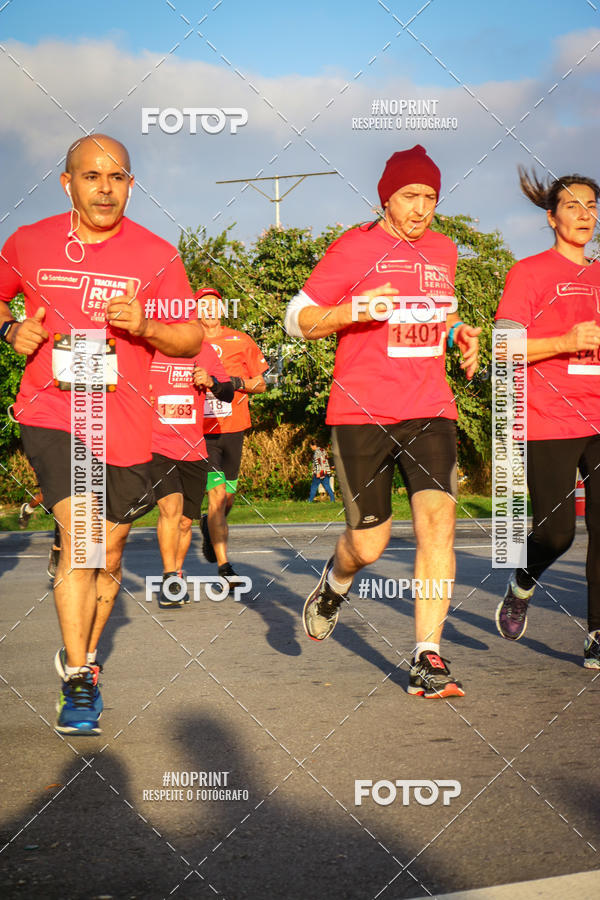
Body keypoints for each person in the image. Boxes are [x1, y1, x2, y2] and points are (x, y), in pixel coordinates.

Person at [0, 134, 203, 734]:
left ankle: (75, 654)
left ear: (131, 185)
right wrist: (11, 329)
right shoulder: (30, 243)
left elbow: (191, 339)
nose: (105, 188)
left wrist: (147, 326)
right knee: (85, 537)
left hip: (127, 424)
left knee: (107, 555)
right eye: (92, 176)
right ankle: (82, 677)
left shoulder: (158, 256)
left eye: (117, 177)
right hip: (52, 410)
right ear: (68, 183)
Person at [284, 144, 480, 698]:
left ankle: (428, 655)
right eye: (410, 197)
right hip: (361, 412)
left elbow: (436, 313)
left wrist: (458, 333)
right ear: (386, 199)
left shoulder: (444, 250)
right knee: (370, 544)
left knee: (438, 522)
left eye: (431, 198)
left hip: (430, 408)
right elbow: (296, 320)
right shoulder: (353, 248)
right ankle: (337, 581)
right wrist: (354, 310)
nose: (421, 209)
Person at [494, 167, 600, 668]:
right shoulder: (529, 273)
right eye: (574, 206)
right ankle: (523, 581)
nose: (585, 214)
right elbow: (503, 349)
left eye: (592, 207)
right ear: (552, 217)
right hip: (549, 418)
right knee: (557, 533)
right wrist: (565, 342)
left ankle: (597, 633)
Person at [150, 336, 232, 608]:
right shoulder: (149, 345)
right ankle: (168, 577)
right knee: (170, 507)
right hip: (156, 444)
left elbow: (228, 392)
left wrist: (211, 382)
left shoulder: (204, 351)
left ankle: (177, 574)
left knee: (185, 521)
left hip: (193, 449)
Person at [195, 288, 268, 582]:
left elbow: (261, 384)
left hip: (234, 427)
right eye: (203, 305)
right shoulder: (188, 341)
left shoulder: (240, 340)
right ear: (196, 311)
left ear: (222, 310)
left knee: (227, 499)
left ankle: (207, 525)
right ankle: (224, 566)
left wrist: (233, 383)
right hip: (203, 431)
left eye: (214, 305)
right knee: (216, 497)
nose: (209, 310)